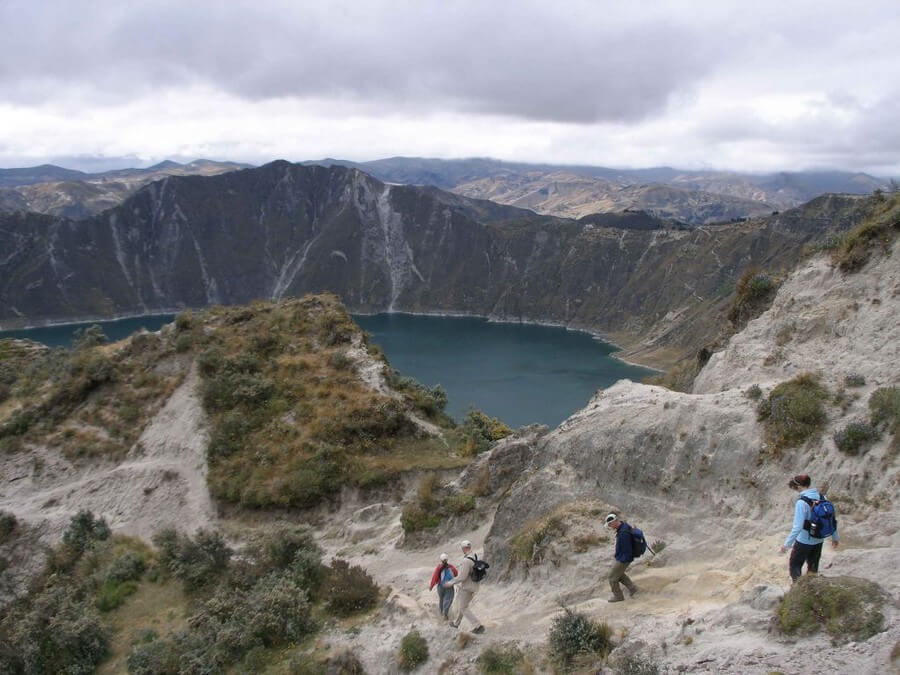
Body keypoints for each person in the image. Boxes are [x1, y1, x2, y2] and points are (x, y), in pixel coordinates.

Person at [780, 474, 839, 581]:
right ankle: (811, 589)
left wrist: (787, 545)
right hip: (819, 539)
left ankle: (797, 590)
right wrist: (835, 538)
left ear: (798, 487)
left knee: (795, 566)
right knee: (813, 568)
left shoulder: (801, 502)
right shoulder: (822, 497)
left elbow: (797, 527)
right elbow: (831, 519)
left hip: (803, 541)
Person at [444, 539, 485, 633]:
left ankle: (478, 626)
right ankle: (456, 624)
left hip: (467, 587)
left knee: (463, 608)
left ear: (463, 548)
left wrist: (450, 582)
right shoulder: (474, 555)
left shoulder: (466, 561)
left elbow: (462, 577)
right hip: (474, 585)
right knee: (463, 605)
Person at [604, 513, 639, 603]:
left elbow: (627, 549)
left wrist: (621, 560)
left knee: (612, 578)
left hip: (624, 559)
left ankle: (618, 596)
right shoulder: (623, 526)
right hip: (623, 557)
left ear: (614, 522)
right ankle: (633, 589)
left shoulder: (623, 532)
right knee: (619, 574)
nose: (610, 526)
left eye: (610, 524)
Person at [429, 553, 458, 619]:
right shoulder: (451, 567)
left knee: (441, 599)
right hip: (449, 586)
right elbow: (456, 574)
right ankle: (445, 613)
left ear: (440, 560)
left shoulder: (438, 567)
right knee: (448, 599)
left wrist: (431, 586)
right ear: (447, 559)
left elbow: (435, 577)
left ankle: (441, 612)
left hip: (440, 586)